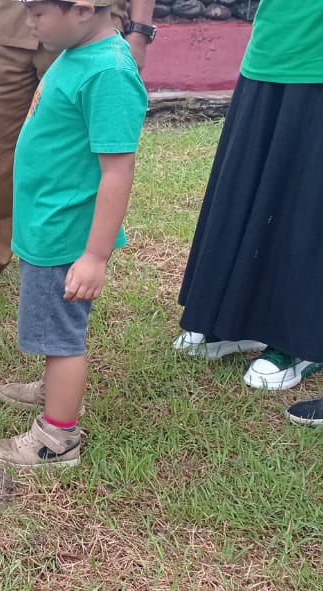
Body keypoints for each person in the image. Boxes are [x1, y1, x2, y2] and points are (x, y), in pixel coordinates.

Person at [0, 0, 146, 468]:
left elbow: (118, 171)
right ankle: (54, 387)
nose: (29, 21)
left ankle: (57, 439)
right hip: (46, 221)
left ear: (82, 10)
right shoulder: (78, 52)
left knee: (61, 339)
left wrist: (94, 257)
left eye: (37, 12)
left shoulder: (108, 73)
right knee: (52, 329)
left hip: (65, 233)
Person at [172, 0, 323, 426]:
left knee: (307, 203)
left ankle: (300, 338)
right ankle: (234, 319)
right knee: (244, 187)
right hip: (273, 43)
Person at [0, 0, 154, 291]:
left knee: (77, 158)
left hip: (80, 23)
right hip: (3, 25)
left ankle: (79, 255)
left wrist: (140, 32)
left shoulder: (105, 60)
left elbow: (117, 165)